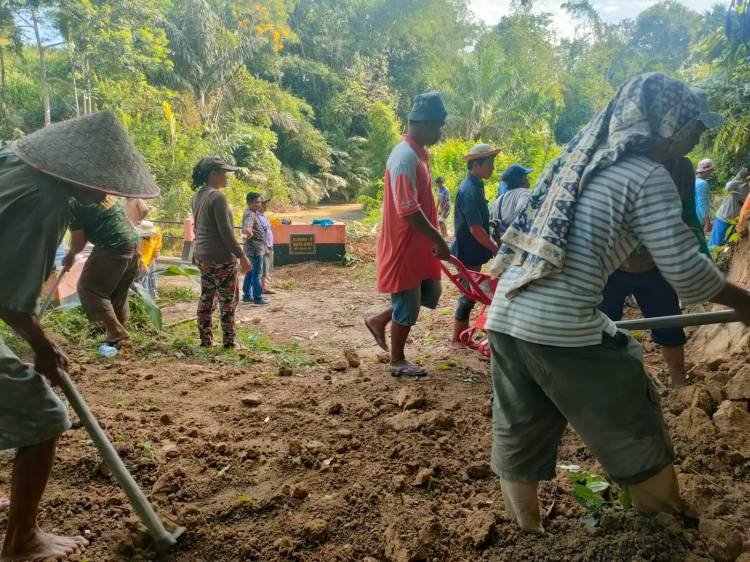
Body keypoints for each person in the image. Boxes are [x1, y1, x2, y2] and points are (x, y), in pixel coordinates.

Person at [485, 73, 750, 533]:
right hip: (559, 327)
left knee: (522, 421)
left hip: (505, 317)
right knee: (630, 406)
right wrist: (743, 301)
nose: (697, 136)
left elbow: (594, 244)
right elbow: (686, 271)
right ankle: (664, 520)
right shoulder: (647, 176)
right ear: (668, 124)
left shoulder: (581, 166)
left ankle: (527, 530)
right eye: (693, 126)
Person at [0, 111, 159, 561]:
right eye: (102, 181)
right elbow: (9, 302)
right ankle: (21, 542)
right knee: (44, 414)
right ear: (73, 171)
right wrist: (44, 347)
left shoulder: (10, 162)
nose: (107, 191)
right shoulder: (44, 200)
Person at [599, 157, 712, 389]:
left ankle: (679, 384)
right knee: (603, 328)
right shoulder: (618, 162)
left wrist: (702, 260)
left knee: (669, 323)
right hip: (612, 265)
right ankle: (607, 384)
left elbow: (688, 213)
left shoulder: (681, 167)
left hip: (655, 265)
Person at [364, 92, 451, 378]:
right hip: (403, 244)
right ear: (424, 124)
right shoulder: (404, 158)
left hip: (418, 246)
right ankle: (397, 360)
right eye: (438, 126)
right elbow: (408, 210)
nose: (440, 132)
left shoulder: (417, 155)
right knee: (408, 306)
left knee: (429, 292)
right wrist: (438, 238)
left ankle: (379, 320)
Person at [62, 196, 141, 345]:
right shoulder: (105, 193)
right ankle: (119, 335)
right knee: (117, 293)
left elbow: (79, 242)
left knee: (89, 288)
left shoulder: (73, 202)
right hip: (133, 242)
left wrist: (70, 255)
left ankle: (116, 331)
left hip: (112, 245)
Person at [191, 156, 250, 349]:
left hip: (202, 256)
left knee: (207, 297)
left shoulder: (198, 196)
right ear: (214, 174)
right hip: (221, 258)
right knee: (228, 299)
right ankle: (229, 341)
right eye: (224, 173)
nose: (227, 177)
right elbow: (225, 232)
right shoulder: (218, 197)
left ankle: (206, 340)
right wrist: (241, 256)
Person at [451, 144, 500, 346]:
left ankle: (461, 336)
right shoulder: (470, 190)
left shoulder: (476, 185)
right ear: (477, 164)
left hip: (471, 250)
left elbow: (479, 223)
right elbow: (475, 229)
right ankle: (457, 339)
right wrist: (494, 248)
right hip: (467, 251)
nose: (493, 168)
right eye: (490, 163)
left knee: (469, 292)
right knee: (468, 293)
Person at [490, 163, 533, 246]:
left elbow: (494, 226)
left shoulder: (499, 199)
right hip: (518, 244)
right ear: (521, 179)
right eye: (526, 177)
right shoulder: (524, 193)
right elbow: (522, 214)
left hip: (503, 246)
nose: (528, 180)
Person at [709, 166, 750, 247]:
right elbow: (728, 187)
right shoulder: (737, 183)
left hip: (736, 221)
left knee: (728, 244)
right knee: (715, 244)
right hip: (723, 218)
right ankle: (711, 258)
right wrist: (739, 176)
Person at [241, 192, 268, 305]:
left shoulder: (252, 213)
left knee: (250, 272)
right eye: (257, 202)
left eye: (260, 201)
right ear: (250, 203)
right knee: (257, 274)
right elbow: (247, 229)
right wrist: (250, 235)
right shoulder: (250, 214)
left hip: (253, 248)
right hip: (255, 250)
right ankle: (257, 297)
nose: (259, 204)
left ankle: (247, 295)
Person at [136, 220, 163, 298]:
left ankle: (151, 295)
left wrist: (156, 252)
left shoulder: (156, 232)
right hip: (141, 262)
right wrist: (144, 266)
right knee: (140, 277)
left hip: (151, 258)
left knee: (150, 276)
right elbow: (139, 254)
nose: (146, 236)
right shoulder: (138, 239)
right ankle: (140, 296)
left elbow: (157, 245)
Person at [258, 197, 276, 295]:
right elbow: (260, 234)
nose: (266, 206)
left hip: (269, 245)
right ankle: (263, 288)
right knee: (263, 268)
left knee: (267, 267)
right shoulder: (257, 217)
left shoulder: (263, 216)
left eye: (266, 204)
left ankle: (264, 287)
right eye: (264, 204)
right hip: (264, 246)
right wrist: (265, 247)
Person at [695, 158, 715, 232]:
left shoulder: (695, 180)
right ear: (707, 170)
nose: (711, 172)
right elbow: (702, 203)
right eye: (711, 170)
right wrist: (708, 222)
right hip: (700, 218)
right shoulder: (702, 183)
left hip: (694, 217)